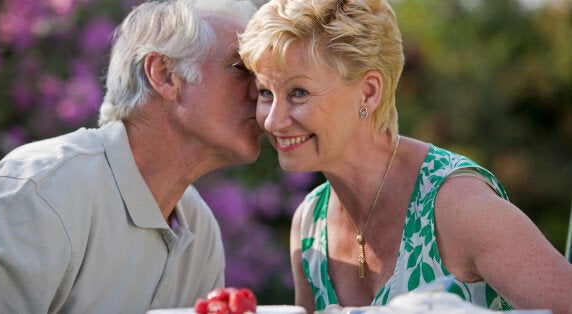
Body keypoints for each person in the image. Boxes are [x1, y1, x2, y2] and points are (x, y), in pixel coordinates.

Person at [238, 0, 572, 313]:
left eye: (299, 92)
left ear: (368, 91)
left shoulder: (457, 205)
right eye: (267, 92)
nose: (273, 119)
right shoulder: (310, 222)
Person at [0, 0, 261, 312]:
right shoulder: (42, 192)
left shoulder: (198, 227)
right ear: (164, 75)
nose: (261, 93)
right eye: (240, 68)